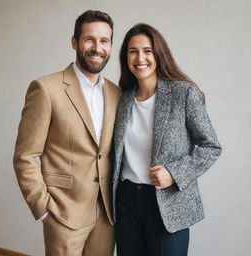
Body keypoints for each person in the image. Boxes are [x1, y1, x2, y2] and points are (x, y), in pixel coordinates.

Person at [13, 10, 120, 256]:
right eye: (89, 39)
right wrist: (44, 209)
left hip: (106, 217)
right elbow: (25, 156)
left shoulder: (117, 95)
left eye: (104, 41)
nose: (97, 47)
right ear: (74, 42)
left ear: (111, 46)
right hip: (63, 214)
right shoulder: (46, 89)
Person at [112, 23, 222, 256]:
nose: (140, 58)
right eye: (133, 51)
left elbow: (211, 146)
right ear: (125, 57)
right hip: (126, 201)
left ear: (159, 54)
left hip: (167, 203)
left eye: (147, 50)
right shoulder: (122, 99)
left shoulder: (184, 93)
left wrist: (174, 173)